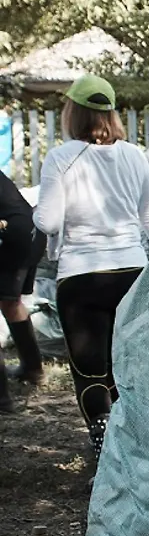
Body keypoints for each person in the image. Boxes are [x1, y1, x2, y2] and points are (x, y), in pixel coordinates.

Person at [33, 74, 149, 457]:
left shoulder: (62, 157)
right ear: (111, 114)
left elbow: (48, 222)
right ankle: (136, 444)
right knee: (128, 364)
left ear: (72, 113)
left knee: (92, 370)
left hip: (81, 276)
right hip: (131, 273)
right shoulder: (133, 156)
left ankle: (104, 446)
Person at [0, 173, 46, 412]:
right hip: (31, 232)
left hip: (12, 236)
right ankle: (32, 369)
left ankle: (2, 399)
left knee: (9, 302)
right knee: (11, 303)